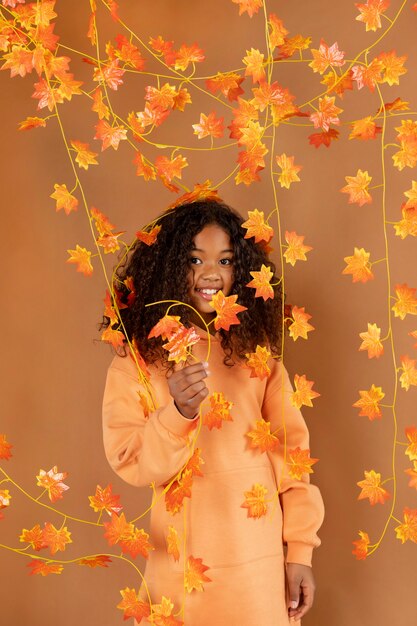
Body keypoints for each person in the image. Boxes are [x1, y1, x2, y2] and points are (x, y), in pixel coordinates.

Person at [101, 197, 324, 625]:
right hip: (182, 570)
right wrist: (178, 413)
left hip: (257, 569)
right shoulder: (137, 363)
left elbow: (294, 460)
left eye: (224, 259)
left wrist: (300, 552)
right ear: (166, 266)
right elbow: (131, 459)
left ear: (240, 271)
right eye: (193, 259)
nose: (209, 273)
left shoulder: (257, 359)